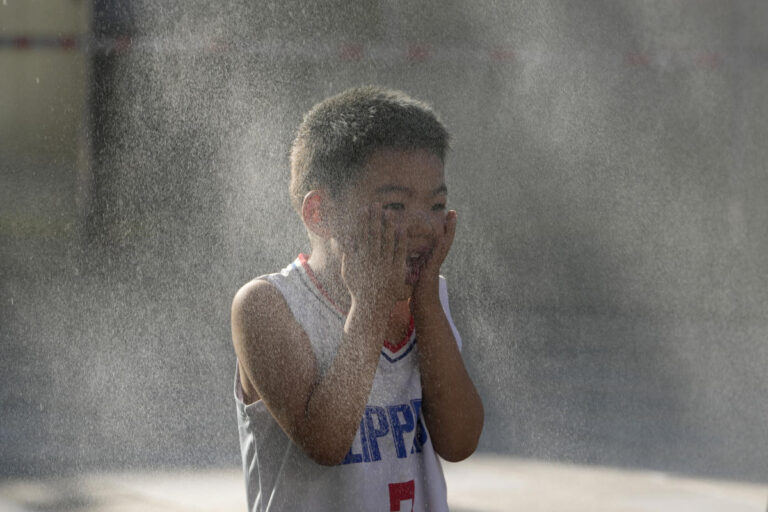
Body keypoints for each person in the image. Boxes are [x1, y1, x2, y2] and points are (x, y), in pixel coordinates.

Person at [231, 86, 484, 511]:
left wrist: (426, 306)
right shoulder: (269, 306)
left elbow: (460, 441)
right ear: (320, 213)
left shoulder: (428, 301)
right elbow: (327, 442)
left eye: (436, 204)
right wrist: (369, 306)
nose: (423, 226)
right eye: (396, 205)